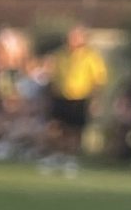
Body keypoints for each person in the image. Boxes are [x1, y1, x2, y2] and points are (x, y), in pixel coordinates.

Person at [41, 26, 107, 174]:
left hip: (80, 98)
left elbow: (98, 81)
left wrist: (95, 100)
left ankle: (70, 159)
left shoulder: (91, 56)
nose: (71, 39)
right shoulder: (59, 54)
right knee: (55, 128)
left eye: (76, 37)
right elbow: (51, 76)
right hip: (60, 97)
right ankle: (56, 155)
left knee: (74, 130)